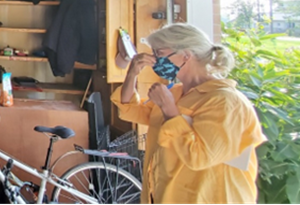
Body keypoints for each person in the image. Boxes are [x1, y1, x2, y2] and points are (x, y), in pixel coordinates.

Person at [111, 23, 266, 204]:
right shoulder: (177, 93)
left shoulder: (226, 102)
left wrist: (169, 110)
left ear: (186, 55)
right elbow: (129, 110)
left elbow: (199, 156)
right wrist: (132, 74)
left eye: (159, 53)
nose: (154, 60)